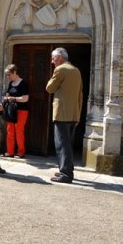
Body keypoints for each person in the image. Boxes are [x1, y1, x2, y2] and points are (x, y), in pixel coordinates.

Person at [46, 47, 83, 184]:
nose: (52, 61)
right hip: (73, 113)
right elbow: (80, 94)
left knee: (62, 145)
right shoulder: (76, 70)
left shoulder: (60, 70)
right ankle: (67, 169)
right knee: (68, 144)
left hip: (62, 113)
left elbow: (49, 88)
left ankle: (66, 174)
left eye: (53, 58)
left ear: (60, 58)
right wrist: (78, 114)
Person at [3, 64, 29, 158]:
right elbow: (7, 94)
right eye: (7, 75)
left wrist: (13, 98)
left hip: (21, 110)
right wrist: (6, 98)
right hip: (11, 110)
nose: (7, 77)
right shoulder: (11, 83)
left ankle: (21, 152)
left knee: (19, 131)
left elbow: (25, 99)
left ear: (14, 72)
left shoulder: (23, 83)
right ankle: (10, 152)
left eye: (9, 74)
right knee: (10, 131)